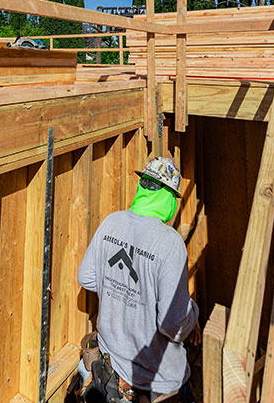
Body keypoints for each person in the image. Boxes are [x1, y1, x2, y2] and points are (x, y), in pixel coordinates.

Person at [76, 157, 200, 403]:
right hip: (156, 381)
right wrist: (192, 316)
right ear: (168, 197)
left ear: (142, 187)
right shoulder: (169, 243)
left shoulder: (111, 222)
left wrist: (120, 291)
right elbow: (173, 324)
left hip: (109, 365)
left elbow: (86, 278)